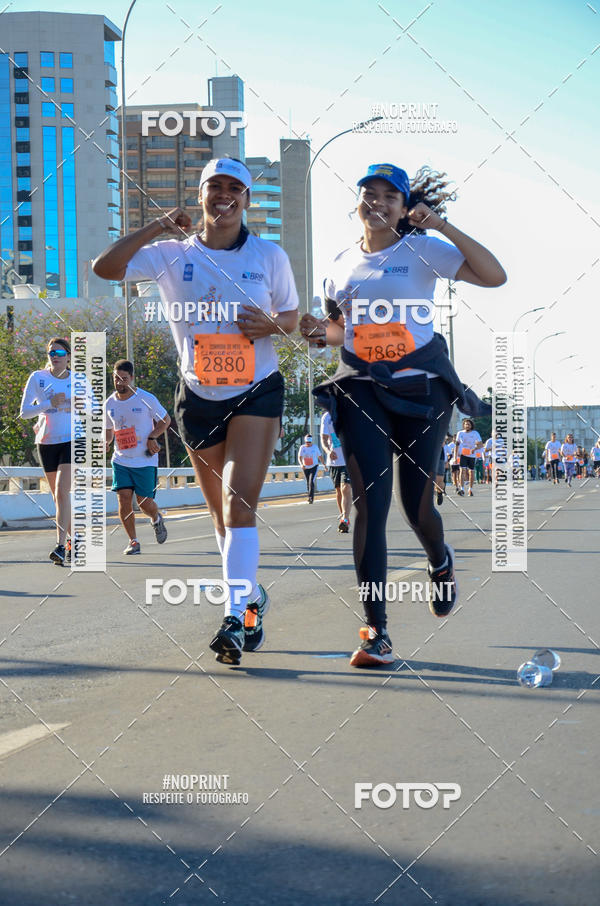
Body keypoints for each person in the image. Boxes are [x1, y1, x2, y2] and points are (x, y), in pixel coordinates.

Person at [93, 157, 299, 665]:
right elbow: (104, 268)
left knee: (237, 506)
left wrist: (269, 325)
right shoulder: (168, 253)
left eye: (235, 188)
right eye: (214, 187)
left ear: (247, 199)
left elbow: (292, 317)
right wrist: (157, 226)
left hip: (256, 390)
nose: (224, 195)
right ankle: (250, 597)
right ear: (201, 195)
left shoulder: (269, 256)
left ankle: (233, 619)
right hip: (197, 396)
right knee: (220, 519)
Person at [300, 162, 506, 667]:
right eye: (369, 193)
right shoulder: (340, 263)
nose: (378, 201)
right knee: (371, 507)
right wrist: (314, 331)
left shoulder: (424, 249)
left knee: (418, 509)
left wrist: (440, 225)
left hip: (421, 391)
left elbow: (495, 276)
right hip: (362, 389)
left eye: (390, 196)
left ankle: (440, 561)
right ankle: (377, 631)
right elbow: (337, 331)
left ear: (404, 206)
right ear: (357, 203)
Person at [105, 360, 170, 554]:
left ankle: (156, 518)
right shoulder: (109, 403)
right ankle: (133, 541)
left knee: (144, 503)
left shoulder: (146, 398)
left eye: (124, 379)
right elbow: (108, 430)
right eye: (116, 379)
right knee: (124, 499)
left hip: (144, 459)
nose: (120, 383)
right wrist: (105, 442)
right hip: (121, 459)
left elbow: (165, 420)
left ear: (132, 378)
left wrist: (152, 436)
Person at [20, 337, 73, 565]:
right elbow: (24, 412)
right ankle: (75, 539)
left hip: (72, 439)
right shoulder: (37, 378)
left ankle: (60, 546)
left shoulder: (78, 379)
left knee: (62, 491)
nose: (55, 357)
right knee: (57, 496)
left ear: (69, 357)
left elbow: (93, 408)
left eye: (60, 353)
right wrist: (49, 403)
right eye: (52, 353)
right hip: (46, 442)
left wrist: (75, 403)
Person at [321, 408, 352, 531]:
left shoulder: (350, 412)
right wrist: (328, 451)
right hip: (334, 461)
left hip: (348, 459)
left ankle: (345, 518)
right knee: (339, 491)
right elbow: (323, 439)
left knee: (346, 487)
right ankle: (344, 518)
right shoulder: (326, 417)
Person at [455, 418, 483, 496]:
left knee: (471, 472)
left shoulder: (475, 433)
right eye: (465, 424)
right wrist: (455, 457)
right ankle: (462, 489)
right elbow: (456, 445)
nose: (467, 425)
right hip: (463, 455)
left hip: (472, 455)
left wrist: (475, 449)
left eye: (468, 424)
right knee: (462, 471)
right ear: (463, 425)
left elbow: (480, 444)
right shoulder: (460, 433)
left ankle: (470, 489)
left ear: (471, 426)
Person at [297, 433, 324, 503]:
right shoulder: (302, 448)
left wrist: (324, 465)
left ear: (311, 441)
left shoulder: (315, 447)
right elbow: (299, 457)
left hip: (314, 466)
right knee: (308, 482)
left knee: (311, 481)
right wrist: (301, 464)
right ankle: (309, 496)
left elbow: (320, 456)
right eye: (307, 442)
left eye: (309, 442)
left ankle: (311, 498)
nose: (308, 443)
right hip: (306, 467)